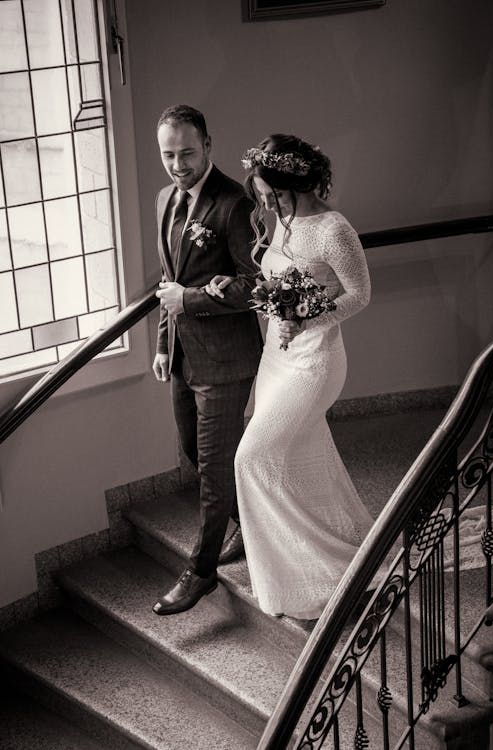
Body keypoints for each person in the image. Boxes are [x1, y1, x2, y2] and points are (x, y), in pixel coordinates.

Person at [206, 134, 375, 619]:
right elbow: (279, 279)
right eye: (261, 195)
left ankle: (321, 566)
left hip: (315, 362)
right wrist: (240, 288)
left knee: (251, 459)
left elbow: (360, 294)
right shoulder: (282, 220)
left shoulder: (333, 230)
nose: (266, 203)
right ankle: (306, 560)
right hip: (278, 360)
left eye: (272, 194)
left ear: (295, 183)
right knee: (300, 456)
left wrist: (306, 319)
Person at [151, 105, 262, 616]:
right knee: (197, 455)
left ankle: (201, 572)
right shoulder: (163, 200)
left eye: (187, 152)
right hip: (181, 358)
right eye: (169, 153)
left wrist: (191, 301)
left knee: (215, 472)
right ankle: (248, 525)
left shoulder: (233, 204)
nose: (177, 163)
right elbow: (167, 282)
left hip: (225, 362)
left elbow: (255, 285)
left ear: (209, 146)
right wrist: (160, 343)